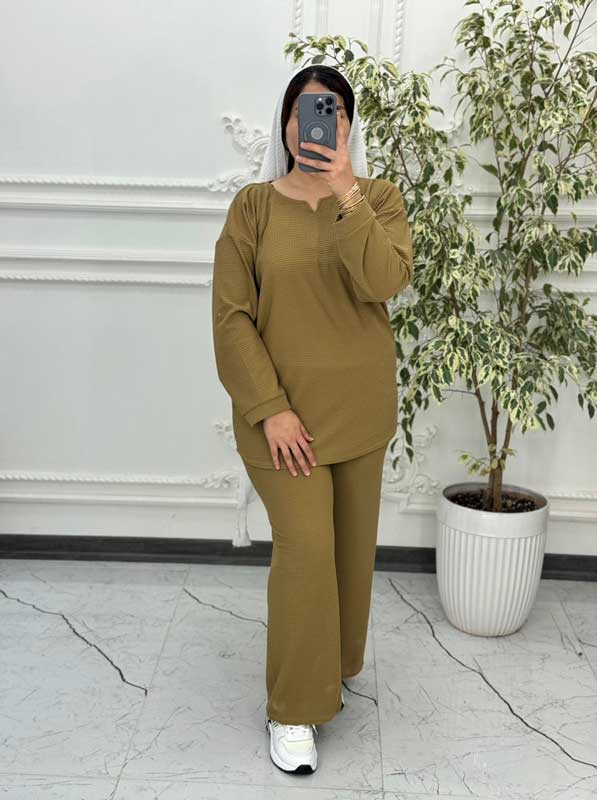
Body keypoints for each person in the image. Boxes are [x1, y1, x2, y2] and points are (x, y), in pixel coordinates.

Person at [211, 63, 413, 774]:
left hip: (359, 411)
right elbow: (232, 317)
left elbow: (384, 281)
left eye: (329, 111)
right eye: (301, 110)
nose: (312, 124)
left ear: (348, 125)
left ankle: (333, 665)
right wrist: (269, 410)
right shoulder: (252, 207)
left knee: (350, 554)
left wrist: (345, 193)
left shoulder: (377, 199)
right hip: (281, 423)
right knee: (304, 551)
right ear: (285, 122)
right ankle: (294, 708)